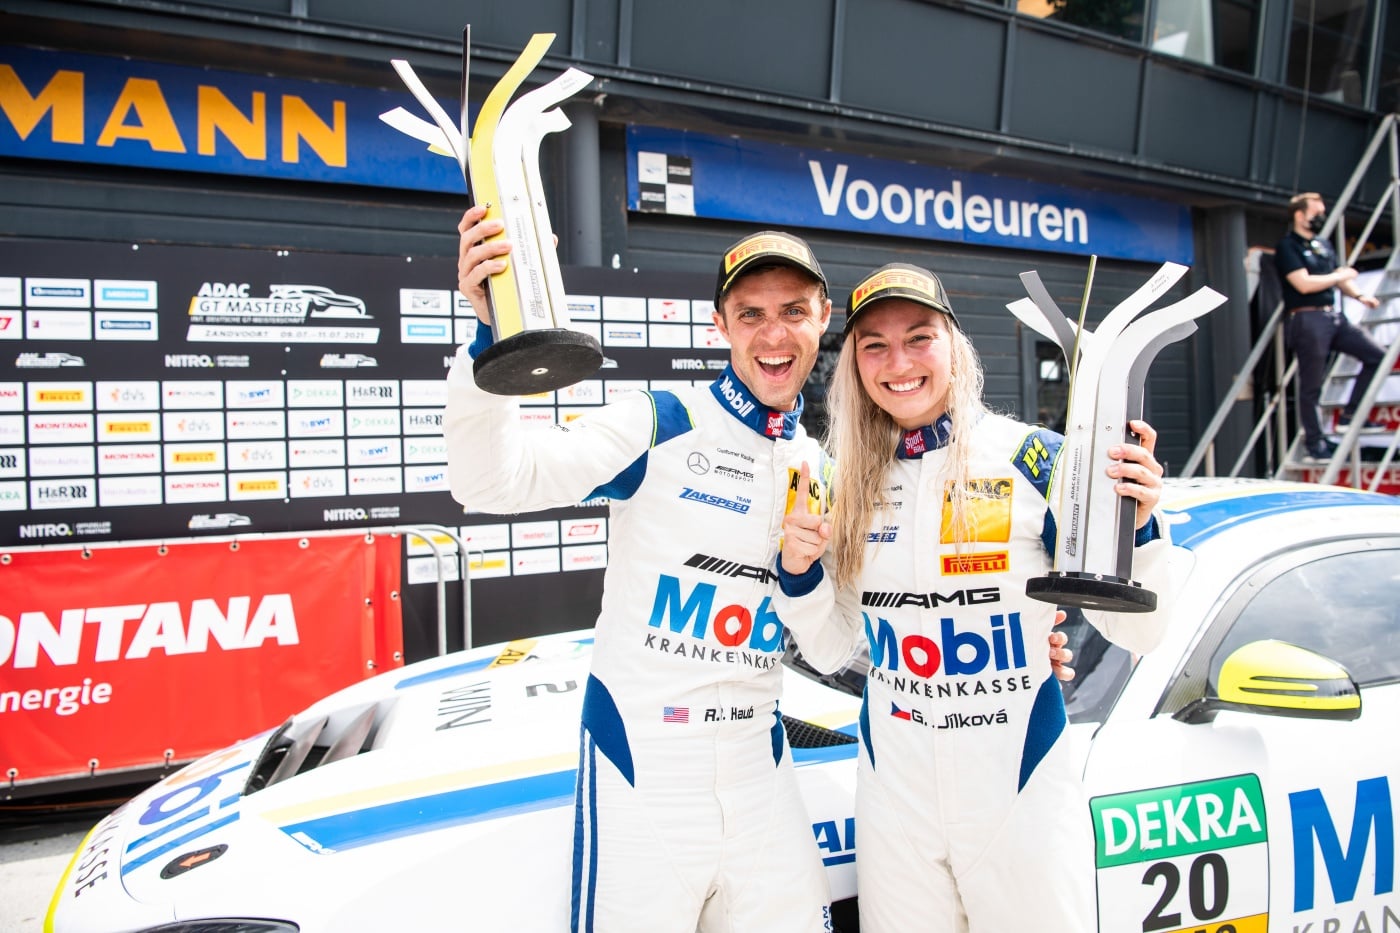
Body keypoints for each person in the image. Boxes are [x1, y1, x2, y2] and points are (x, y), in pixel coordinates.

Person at [446, 213, 840, 932]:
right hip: (646, 761)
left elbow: (833, 642)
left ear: (823, 317)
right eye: (750, 314)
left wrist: (803, 576)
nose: (773, 334)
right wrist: (489, 334)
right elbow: (491, 482)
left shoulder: (817, 466)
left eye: (792, 311)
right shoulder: (660, 421)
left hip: (761, 764)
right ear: (720, 325)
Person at [775, 263, 1178, 932]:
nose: (898, 362)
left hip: (1018, 790)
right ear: (854, 364)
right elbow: (830, 648)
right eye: (875, 344)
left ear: (954, 346)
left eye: (919, 337)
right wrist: (797, 575)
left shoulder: (1036, 460)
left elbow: (1141, 634)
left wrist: (1139, 527)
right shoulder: (846, 482)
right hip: (895, 798)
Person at [1273, 191, 1386, 462]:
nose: (1321, 218)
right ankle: (1315, 445)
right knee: (1312, 385)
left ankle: (1351, 414)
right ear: (1299, 215)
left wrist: (1360, 295)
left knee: (1376, 356)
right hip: (1307, 319)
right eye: (1316, 213)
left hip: (1333, 316)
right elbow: (1303, 283)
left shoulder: (1323, 244)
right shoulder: (1288, 246)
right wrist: (1338, 276)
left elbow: (1340, 279)